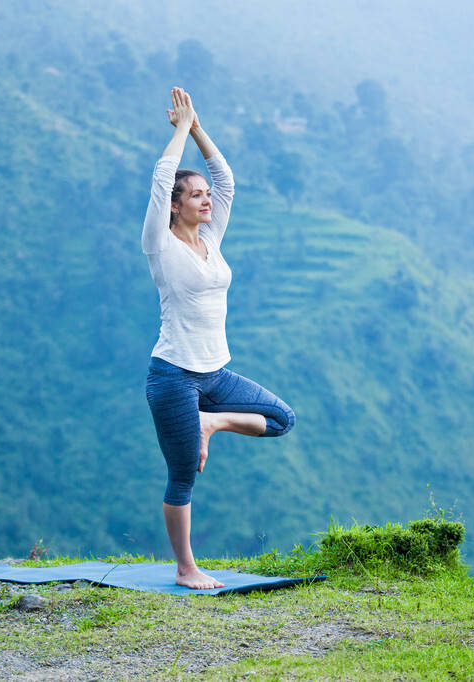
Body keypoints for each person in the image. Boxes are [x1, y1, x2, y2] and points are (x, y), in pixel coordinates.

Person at [142, 87, 296, 589]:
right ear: (173, 207)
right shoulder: (159, 245)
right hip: (173, 377)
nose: (207, 199)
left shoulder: (212, 238)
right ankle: (186, 568)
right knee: (182, 475)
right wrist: (180, 133)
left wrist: (199, 127)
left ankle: (213, 423)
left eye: (206, 196)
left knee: (281, 418)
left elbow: (227, 181)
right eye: (196, 195)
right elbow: (161, 178)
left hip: (216, 374)